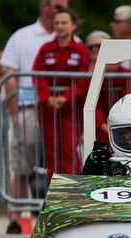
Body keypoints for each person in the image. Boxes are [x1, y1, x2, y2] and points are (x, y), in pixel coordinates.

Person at [0, 0, 68, 234]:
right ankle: (16, 218)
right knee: (22, 166)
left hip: (60, 111)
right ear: (44, 6)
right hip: (29, 107)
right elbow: (8, 70)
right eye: (55, 5)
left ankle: (58, 213)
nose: (58, 10)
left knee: (59, 164)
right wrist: (14, 111)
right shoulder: (22, 36)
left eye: (62, 6)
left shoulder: (72, 38)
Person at [33, 7, 90, 185]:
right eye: (56, 22)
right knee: (52, 151)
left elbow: (82, 79)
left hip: (71, 107)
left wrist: (66, 97)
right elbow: (38, 75)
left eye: (64, 22)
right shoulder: (46, 48)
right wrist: (47, 97)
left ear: (73, 25)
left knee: (69, 149)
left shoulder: (80, 50)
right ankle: (54, 193)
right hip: (49, 107)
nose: (59, 26)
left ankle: (72, 191)